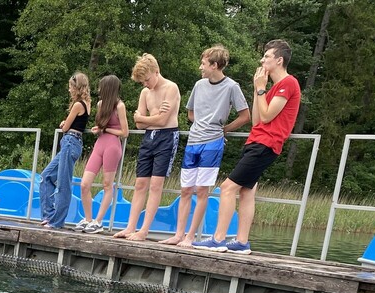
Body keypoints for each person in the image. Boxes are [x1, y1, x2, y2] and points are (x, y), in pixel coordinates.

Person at [194, 39, 301, 255]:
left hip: (266, 144)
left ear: (279, 61)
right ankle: (242, 242)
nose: (262, 61)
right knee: (247, 191)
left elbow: (268, 116)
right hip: (256, 141)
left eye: (267, 57)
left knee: (227, 188)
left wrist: (261, 89)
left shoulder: (289, 83)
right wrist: (257, 89)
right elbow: (257, 120)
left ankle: (218, 239)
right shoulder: (272, 88)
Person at [161, 46, 249, 248]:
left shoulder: (231, 87)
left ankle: (190, 236)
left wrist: (223, 129)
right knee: (185, 189)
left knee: (201, 190)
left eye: (203, 64)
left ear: (214, 65)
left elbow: (245, 116)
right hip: (193, 141)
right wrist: (201, 123)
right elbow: (190, 113)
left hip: (212, 143)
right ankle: (178, 235)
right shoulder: (199, 85)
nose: (200, 67)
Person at [112, 54, 181, 241]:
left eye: (147, 80)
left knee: (156, 185)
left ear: (156, 72)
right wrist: (149, 118)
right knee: (140, 183)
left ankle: (143, 230)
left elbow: (163, 120)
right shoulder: (145, 93)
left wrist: (144, 118)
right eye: (142, 82)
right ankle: (130, 227)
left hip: (167, 137)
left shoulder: (171, 88)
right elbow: (138, 124)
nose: (145, 84)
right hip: (149, 138)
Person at [75, 75, 128, 234]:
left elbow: (124, 132)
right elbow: (101, 126)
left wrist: (106, 129)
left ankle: (98, 221)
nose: (98, 90)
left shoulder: (120, 106)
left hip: (112, 146)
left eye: (101, 87)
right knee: (85, 184)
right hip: (100, 143)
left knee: (107, 184)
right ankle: (88, 219)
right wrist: (98, 129)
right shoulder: (100, 104)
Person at [37, 72, 90, 230]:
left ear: (76, 87)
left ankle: (56, 221)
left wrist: (63, 124)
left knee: (63, 184)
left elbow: (66, 127)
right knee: (46, 176)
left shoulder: (78, 104)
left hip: (70, 142)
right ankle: (48, 215)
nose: (69, 90)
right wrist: (66, 123)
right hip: (72, 142)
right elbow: (74, 122)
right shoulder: (87, 103)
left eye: (70, 87)